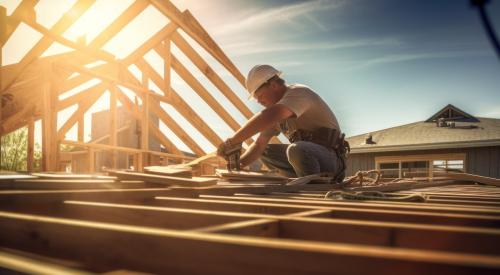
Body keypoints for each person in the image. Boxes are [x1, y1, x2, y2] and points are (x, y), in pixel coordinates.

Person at [217, 64, 348, 181]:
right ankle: (301, 180)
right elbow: (259, 145)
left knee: (296, 149)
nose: (259, 102)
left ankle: (314, 187)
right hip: (306, 159)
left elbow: (269, 116)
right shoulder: (277, 111)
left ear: (273, 85)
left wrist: (233, 141)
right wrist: (238, 166)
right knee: (266, 151)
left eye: (260, 96)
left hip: (331, 161)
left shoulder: (299, 93)